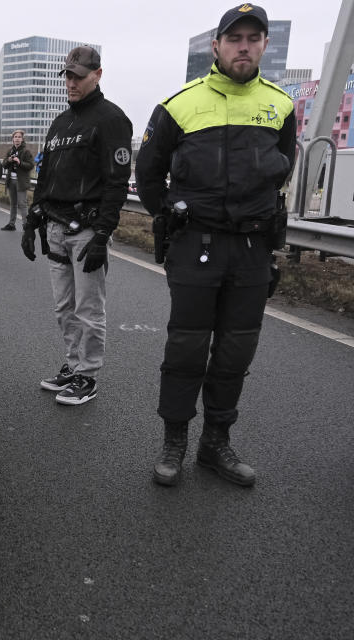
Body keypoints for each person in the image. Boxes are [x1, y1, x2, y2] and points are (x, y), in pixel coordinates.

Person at [135, 4, 295, 488]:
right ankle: (174, 441)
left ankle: (215, 444)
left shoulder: (281, 106)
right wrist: (174, 215)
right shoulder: (178, 104)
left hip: (252, 248)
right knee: (187, 347)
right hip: (195, 246)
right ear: (217, 46)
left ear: (264, 45)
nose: (243, 46)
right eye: (234, 38)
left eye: (253, 38)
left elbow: (283, 165)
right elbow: (147, 172)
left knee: (236, 351)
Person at [23, 45, 132, 406]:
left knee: (89, 309)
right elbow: (46, 176)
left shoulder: (111, 119)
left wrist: (103, 234)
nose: (71, 82)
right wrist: (32, 220)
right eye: (68, 76)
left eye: (78, 76)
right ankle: (73, 365)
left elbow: (117, 184)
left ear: (97, 75)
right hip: (55, 228)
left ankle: (88, 375)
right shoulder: (60, 122)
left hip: (87, 231)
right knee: (63, 308)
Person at [1, 130, 35, 231]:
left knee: (22, 204)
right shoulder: (10, 151)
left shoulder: (26, 151)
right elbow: (4, 164)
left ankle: (26, 225)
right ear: (13, 139)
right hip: (11, 180)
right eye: (15, 137)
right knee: (13, 204)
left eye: (19, 137)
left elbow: (30, 165)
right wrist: (9, 160)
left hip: (21, 182)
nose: (17, 139)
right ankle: (11, 224)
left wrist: (20, 162)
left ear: (22, 139)